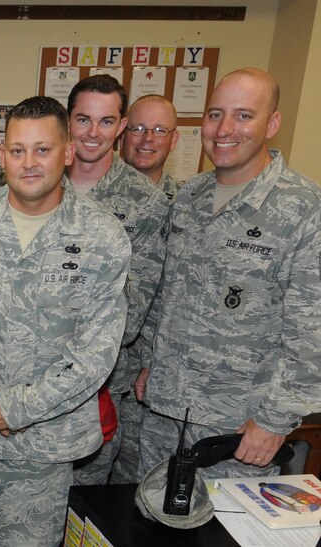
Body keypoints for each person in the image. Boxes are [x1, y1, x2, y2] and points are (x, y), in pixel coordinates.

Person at [0, 96, 129, 546]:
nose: (29, 163)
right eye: (18, 150)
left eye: (43, 149)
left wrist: (17, 407)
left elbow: (97, 353)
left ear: (68, 152)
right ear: (2, 155)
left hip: (42, 448)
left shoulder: (102, 237)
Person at [137, 68, 321, 480]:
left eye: (243, 116)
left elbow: (312, 335)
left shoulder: (305, 209)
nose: (224, 129)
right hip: (164, 414)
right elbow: (167, 291)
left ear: (272, 124)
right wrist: (151, 361)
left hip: (237, 429)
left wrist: (274, 421)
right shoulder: (190, 196)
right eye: (215, 114)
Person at [65, 75, 168, 486]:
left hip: (99, 384)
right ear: (67, 120)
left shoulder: (145, 201)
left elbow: (134, 306)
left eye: (106, 122)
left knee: (81, 507)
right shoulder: (38, 183)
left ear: (121, 126)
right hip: (23, 375)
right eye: (83, 120)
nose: (93, 133)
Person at [121, 94, 183, 200]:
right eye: (138, 128)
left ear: (173, 140)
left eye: (160, 130)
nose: (148, 138)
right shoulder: (95, 192)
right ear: (122, 136)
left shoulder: (187, 200)